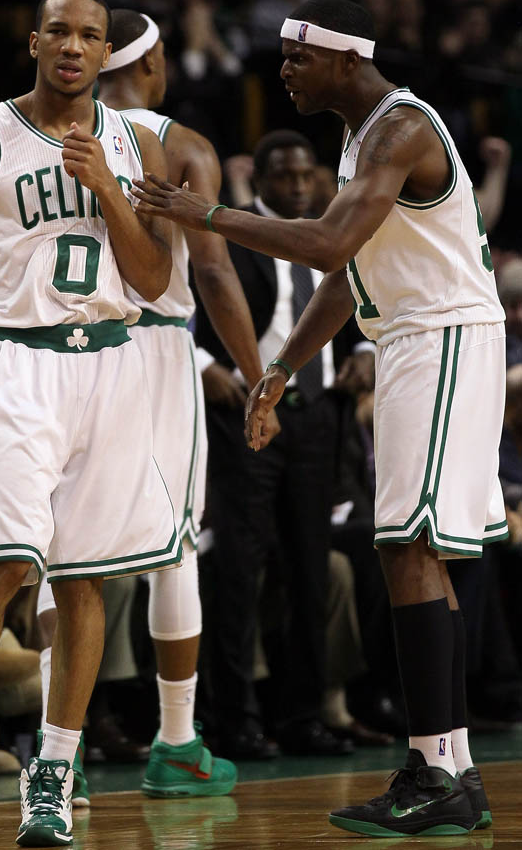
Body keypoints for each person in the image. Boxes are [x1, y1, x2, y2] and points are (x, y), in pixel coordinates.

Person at [132, 0, 507, 837]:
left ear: (343, 57)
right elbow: (347, 275)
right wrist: (283, 367)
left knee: (407, 549)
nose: (285, 74)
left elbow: (332, 246)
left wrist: (209, 216)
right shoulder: (362, 138)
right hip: (415, 334)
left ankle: (435, 768)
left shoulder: (399, 128)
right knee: (414, 552)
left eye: (297, 59)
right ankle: (451, 770)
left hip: (440, 335)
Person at [0, 0, 180, 847]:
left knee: (85, 579)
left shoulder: (138, 147)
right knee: (3, 565)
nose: (73, 46)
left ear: (109, 54)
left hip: (113, 360)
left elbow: (148, 280)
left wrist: (106, 186)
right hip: (18, 362)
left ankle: (53, 779)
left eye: (91, 36)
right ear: (34, 42)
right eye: (59, 32)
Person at [35, 6, 275, 800]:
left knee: (61, 560)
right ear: (153, 62)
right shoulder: (178, 144)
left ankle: (53, 756)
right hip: (154, 350)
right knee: (171, 548)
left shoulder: (47, 134)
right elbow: (210, 272)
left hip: (55, 355)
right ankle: (177, 742)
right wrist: (257, 371)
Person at [193, 128, 373, 758]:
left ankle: (305, 714)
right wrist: (199, 363)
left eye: (305, 176)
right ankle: (234, 719)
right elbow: (191, 313)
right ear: (260, 180)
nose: (297, 186)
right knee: (241, 567)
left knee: (310, 567)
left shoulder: (334, 234)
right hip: (250, 411)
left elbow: (357, 303)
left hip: (319, 416)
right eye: (284, 177)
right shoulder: (241, 236)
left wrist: (368, 350)